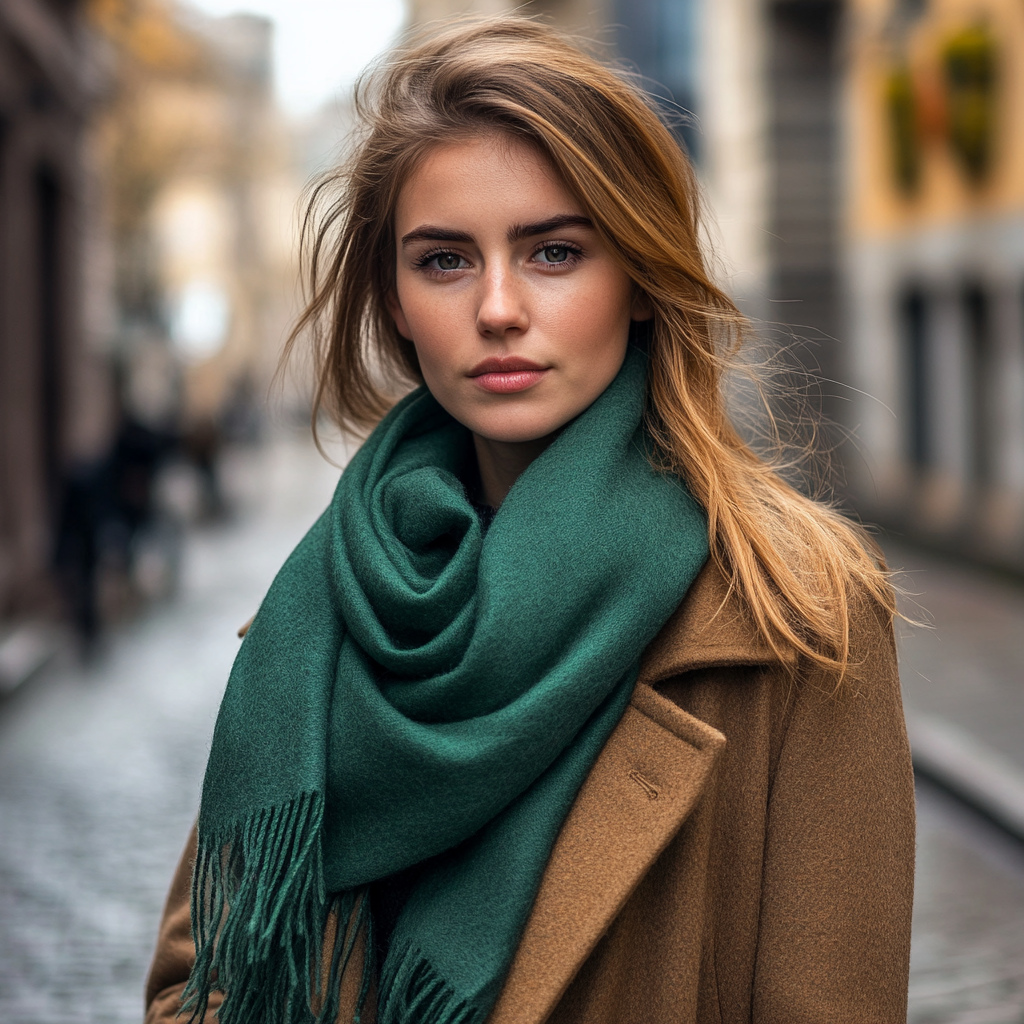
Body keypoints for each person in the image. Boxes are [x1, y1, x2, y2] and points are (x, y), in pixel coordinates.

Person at [144, 18, 915, 1024]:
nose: (498, 307)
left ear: (636, 277)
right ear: (391, 299)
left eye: (554, 252)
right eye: (445, 260)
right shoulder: (323, 609)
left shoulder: (797, 612)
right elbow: (196, 984)